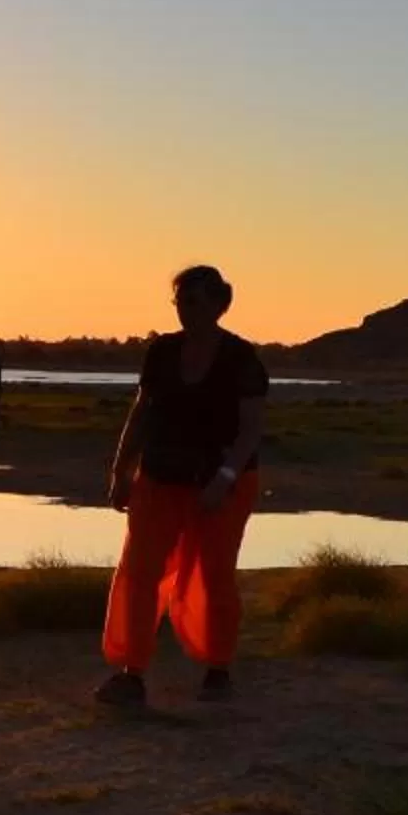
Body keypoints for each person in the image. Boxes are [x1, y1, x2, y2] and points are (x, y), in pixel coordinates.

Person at [98, 264, 268, 706]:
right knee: (139, 572)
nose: (185, 310)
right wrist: (121, 469)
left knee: (213, 575)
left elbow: (251, 430)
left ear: (219, 305)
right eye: (179, 302)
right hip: (160, 477)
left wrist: (224, 478)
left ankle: (218, 669)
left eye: (194, 301)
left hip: (223, 483)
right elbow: (142, 412)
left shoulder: (240, 359)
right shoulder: (161, 352)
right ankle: (130, 671)